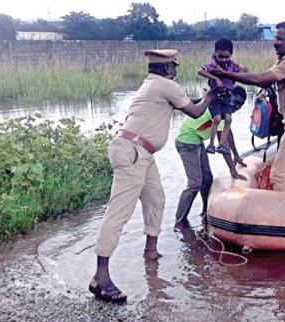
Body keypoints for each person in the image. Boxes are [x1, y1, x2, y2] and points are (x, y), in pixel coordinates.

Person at [89, 49, 211, 303]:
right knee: (119, 213)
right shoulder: (166, 85)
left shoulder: (153, 84)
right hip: (133, 153)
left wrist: (205, 97)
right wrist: (211, 96)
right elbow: (197, 112)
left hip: (141, 152)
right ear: (167, 68)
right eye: (174, 67)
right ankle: (100, 277)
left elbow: (184, 106)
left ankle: (151, 252)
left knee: (156, 199)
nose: (176, 70)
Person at [209, 21, 285, 192]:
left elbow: (261, 79)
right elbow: (262, 77)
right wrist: (236, 70)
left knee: (278, 175)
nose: (275, 42)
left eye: (280, 39)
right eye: (275, 38)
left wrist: (226, 74)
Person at [174, 86, 248, 228]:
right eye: (235, 102)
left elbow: (229, 135)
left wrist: (237, 156)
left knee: (207, 179)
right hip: (187, 142)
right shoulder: (218, 109)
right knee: (194, 183)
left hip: (197, 141)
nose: (237, 107)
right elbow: (223, 145)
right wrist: (233, 170)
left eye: (240, 104)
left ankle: (205, 212)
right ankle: (180, 221)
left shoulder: (225, 112)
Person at [198, 38, 248, 156]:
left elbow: (244, 71)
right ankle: (211, 144)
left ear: (231, 55)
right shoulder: (213, 66)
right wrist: (215, 78)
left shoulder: (232, 66)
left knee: (229, 120)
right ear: (215, 54)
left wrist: (243, 70)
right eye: (221, 56)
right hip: (216, 98)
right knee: (217, 119)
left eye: (227, 57)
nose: (223, 59)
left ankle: (221, 145)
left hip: (226, 99)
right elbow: (200, 71)